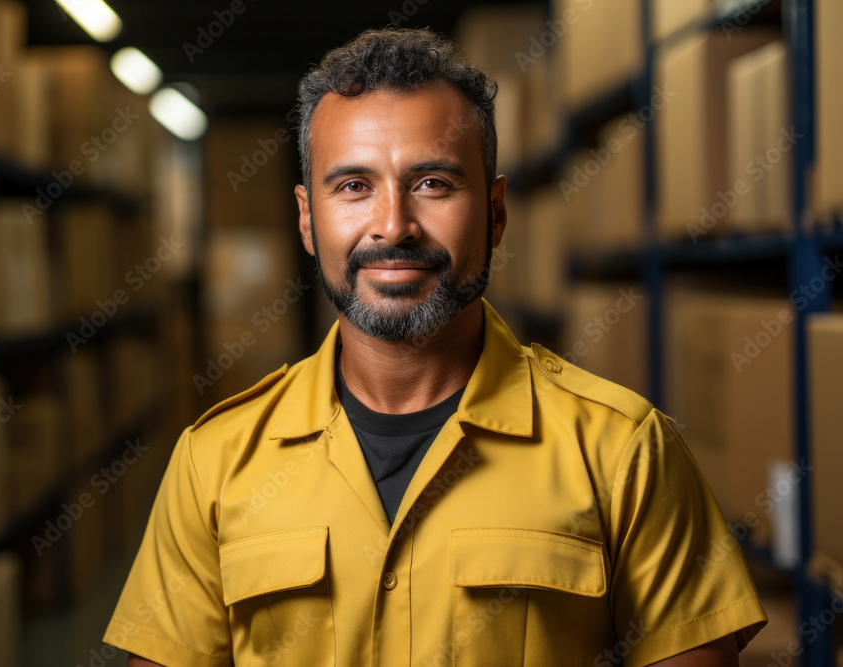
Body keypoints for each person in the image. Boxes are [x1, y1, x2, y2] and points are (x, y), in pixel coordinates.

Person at [102, 27, 768, 666]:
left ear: (497, 212)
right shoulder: (212, 463)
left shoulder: (625, 452)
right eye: (354, 186)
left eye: (433, 183)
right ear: (308, 218)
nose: (393, 225)